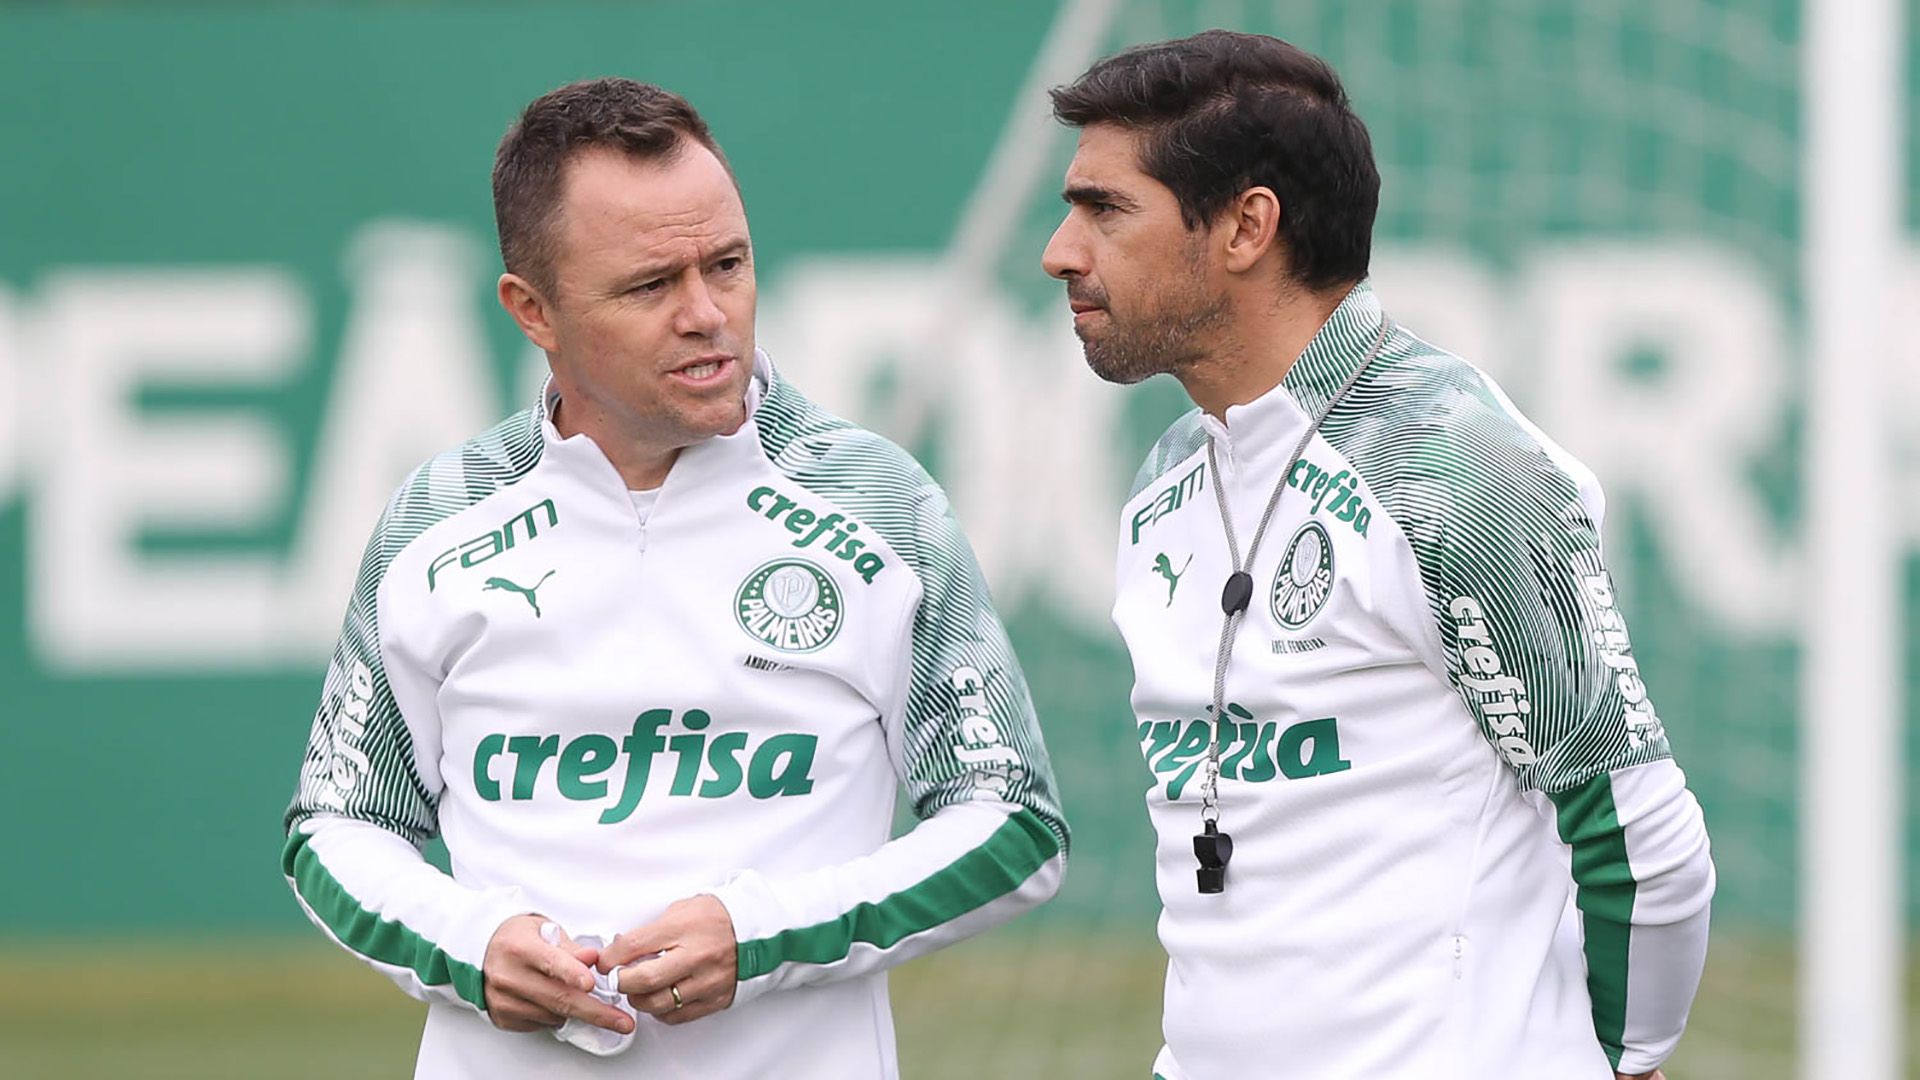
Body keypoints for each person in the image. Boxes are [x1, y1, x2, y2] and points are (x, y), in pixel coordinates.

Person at [282, 77, 1067, 1080]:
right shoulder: (438, 519)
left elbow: (1014, 824)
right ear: (533, 311)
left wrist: (765, 934)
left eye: (728, 266)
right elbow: (339, 826)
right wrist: (470, 946)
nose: (708, 315)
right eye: (651, 285)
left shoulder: (878, 503)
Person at [1042, 31, 1712, 1080]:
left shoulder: (1456, 468)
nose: (1062, 250)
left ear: (1246, 227)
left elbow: (1640, 837)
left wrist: (1628, 1061)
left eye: (1105, 209)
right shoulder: (1167, 482)